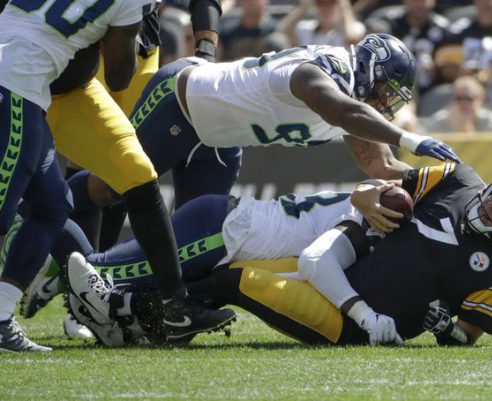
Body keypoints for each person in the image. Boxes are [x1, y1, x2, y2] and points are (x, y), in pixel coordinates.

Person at [63, 160, 492, 347]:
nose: (488, 207)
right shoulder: (457, 179)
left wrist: (445, 328)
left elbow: (467, 335)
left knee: (236, 281)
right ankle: (127, 314)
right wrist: (368, 196)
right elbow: (381, 188)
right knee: (228, 269)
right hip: (350, 272)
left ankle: (123, 309)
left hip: (350, 325)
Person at [76, 34, 460, 236]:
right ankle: (51, 206)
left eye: (392, 99)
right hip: (183, 100)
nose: (384, 103)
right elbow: (342, 111)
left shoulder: (356, 105)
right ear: (366, 67)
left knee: (194, 234)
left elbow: (382, 166)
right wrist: (410, 139)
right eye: (384, 91)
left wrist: (451, 184)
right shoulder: (323, 72)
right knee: (113, 188)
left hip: (221, 139)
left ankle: (132, 300)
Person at [22, 0, 237, 346]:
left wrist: (205, 54)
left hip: (130, 45)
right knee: (70, 177)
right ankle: (79, 288)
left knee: (131, 171)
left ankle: (116, 293)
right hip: (60, 56)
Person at [0, 0, 160, 352]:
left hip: (24, 82)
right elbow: (118, 78)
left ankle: (0, 316)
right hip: (15, 83)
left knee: (53, 206)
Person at [423, 75, 492, 135]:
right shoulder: (440, 121)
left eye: (469, 99)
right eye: (459, 98)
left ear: (481, 101)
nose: (463, 103)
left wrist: (467, 131)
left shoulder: (491, 122)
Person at [277, 0, 366, 48]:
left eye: (330, 3)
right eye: (320, 3)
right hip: (309, 74)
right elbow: (282, 30)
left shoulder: (351, 27)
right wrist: (305, 6)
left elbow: (352, 38)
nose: (325, 9)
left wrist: (344, 5)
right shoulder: (307, 28)